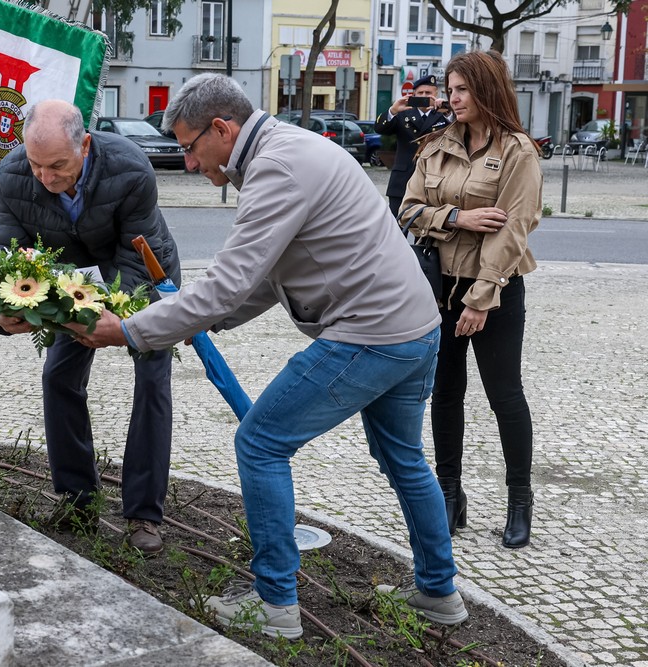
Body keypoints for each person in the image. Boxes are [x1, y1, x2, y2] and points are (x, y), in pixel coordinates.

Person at [67, 74, 467, 638]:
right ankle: (438, 592)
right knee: (404, 459)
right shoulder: (291, 149)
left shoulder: (277, 168)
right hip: (415, 327)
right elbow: (262, 279)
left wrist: (131, 331)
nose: (187, 163)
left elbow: (229, 282)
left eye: (188, 147)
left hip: (370, 334)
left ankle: (275, 602)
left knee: (259, 441)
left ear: (222, 129)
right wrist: (199, 320)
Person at [0, 99, 180, 554]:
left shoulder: (132, 170)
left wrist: (116, 320)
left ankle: (144, 514)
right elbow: (10, 262)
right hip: (73, 283)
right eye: (37, 165)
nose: (47, 179)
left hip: (145, 272)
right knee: (59, 375)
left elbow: (136, 256)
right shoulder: (12, 175)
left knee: (152, 379)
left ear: (86, 145)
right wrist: (2, 315)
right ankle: (77, 498)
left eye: (58, 166)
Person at [400, 51, 541, 549]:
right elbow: (408, 208)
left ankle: (519, 500)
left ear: (486, 90)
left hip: (495, 290)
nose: (451, 98)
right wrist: (456, 217)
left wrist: (481, 299)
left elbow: (515, 228)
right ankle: (448, 495)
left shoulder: (518, 151)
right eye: (449, 89)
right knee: (446, 392)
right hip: (439, 287)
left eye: (461, 90)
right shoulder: (435, 145)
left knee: (505, 396)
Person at [375, 74, 453, 218]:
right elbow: (380, 129)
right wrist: (392, 110)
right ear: (414, 95)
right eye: (420, 93)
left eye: (428, 93)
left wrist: (448, 112)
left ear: (436, 94)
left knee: (426, 230)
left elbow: (459, 133)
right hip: (403, 180)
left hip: (432, 180)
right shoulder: (403, 112)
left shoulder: (444, 115)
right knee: (397, 227)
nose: (424, 96)